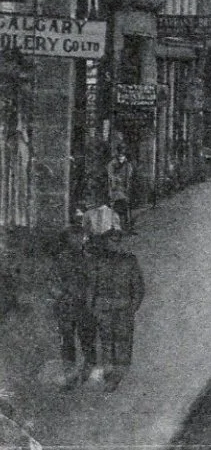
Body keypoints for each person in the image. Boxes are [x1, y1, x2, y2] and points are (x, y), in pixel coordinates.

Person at [86, 228, 144, 391]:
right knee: (106, 341)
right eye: (111, 241)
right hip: (103, 307)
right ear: (105, 243)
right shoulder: (98, 261)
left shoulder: (130, 261)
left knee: (123, 341)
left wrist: (133, 307)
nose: (115, 244)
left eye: (118, 241)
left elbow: (138, 286)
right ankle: (109, 371)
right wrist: (92, 306)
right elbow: (92, 285)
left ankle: (118, 373)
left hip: (123, 308)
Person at [48, 224, 93, 387]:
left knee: (88, 340)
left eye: (80, 237)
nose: (77, 240)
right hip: (66, 307)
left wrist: (91, 297)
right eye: (73, 237)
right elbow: (52, 282)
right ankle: (70, 376)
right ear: (66, 240)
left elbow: (97, 281)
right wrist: (61, 295)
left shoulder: (90, 259)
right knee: (67, 343)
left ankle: (88, 372)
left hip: (85, 307)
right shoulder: (60, 260)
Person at [106, 147, 134, 234]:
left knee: (125, 207)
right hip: (115, 189)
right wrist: (115, 183)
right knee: (115, 207)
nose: (122, 157)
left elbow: (129, 175)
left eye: (124, 155)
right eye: (121, 155)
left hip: (124, 189)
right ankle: (114, 227)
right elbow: (111, 176)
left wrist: (128, 186)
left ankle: (126, 227)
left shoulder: (127, 164)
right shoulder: (112, 164)